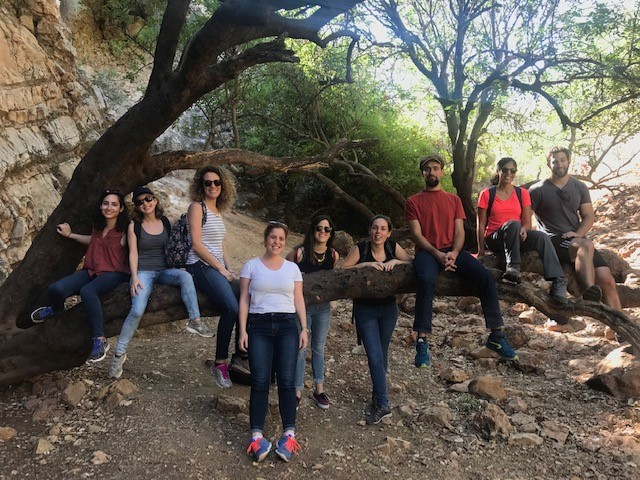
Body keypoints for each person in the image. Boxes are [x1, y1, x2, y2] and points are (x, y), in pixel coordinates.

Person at [404, 154, 518, 369]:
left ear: (442, 172)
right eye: (427, 169)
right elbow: (417, 235)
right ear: (423, 173)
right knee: (426, 279)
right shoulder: (413, 201)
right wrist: (437, 254)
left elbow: (459, 231)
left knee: (485, 276)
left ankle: (496, 335)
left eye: (435, 168)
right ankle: (422, 340)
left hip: (453, 250)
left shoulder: (454, 200)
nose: (431, 172)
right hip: (427, 253)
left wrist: (455, 253)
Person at [108, 186, 206, 378]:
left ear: (155, 200)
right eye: (140, 202)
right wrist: (134, 277)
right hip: (143, 272)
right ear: (136, 207)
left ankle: (195, 320)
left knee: (185, 277)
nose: (145, 204)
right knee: (137, 310)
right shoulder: (134, 226)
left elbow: (177, 243)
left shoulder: (166, 222)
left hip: (165, 270)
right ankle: (118, 354)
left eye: (148, 199)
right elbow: (133, 253)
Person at [30, 190, 130, 362]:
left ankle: (100, 340)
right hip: (91, 271)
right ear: (101, 206)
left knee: (87, 291)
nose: (109, 207)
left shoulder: (127, 230)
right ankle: (56, 310)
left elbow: (137, 250)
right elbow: (94, 240)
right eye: (106, 203)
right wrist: (70, 235)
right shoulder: (98, 225)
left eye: (114, 204)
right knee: (55, 289)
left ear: (121, 208)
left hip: (114, 273)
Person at [239, 222, 308, 463]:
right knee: (259, 381)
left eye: (281, 238)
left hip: (287, 325)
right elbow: (244, 300)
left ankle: (289, 436)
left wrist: (304, 328)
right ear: (265, 239)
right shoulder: (251, 266)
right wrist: (242, 331)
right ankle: (257, 437)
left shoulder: (292, 268)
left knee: (287, 381)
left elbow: (298, 299)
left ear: (284, 242)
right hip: (258, 325)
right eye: (272, 237)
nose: (276, 242)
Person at [529, 146, 622, 309]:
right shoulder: (537, 190)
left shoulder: (579, 187)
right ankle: (589, 292)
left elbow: (588, 216)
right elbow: (525, 218)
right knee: (584, 245)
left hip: (577, 238)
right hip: (552, 240)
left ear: (568, 161)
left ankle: (619, 323)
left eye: (563, 160)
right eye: (555, 161)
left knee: (607, 280)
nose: (559, 164)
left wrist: (578, 233)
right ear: (549, 164)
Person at [342, 215, 412, 425]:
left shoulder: (392, 247)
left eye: (382, 229)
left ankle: (378, 398)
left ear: (389, 232)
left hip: (389, 309)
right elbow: (342, 269)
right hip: (365, 310)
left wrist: (395, 261)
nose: (378, 232)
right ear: (370, 230)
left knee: (382, 354)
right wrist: (366, 265)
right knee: (374, 356)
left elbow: (411, 262)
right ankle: (383, 403)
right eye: (375, 228)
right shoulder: (360, 249)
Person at [477, 157, 568, 304]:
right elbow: (481, 224)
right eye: (505, 170)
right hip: (495, 238)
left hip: (517, 235)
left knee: (541, 236)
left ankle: (558, 280)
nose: (509, 173)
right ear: (498, 171)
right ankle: (513, 267)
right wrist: (481, 250)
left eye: (512, 171)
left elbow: (526, 223)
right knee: (513, 224)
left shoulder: (522, 193)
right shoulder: (487, 194)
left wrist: (525, 229)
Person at [185, 166, 241, 388]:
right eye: (207, 182)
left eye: (217, 182)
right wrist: (220, 269)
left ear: (223, 185)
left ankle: (242, 356)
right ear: (201, 185)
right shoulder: (197, 208)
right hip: (199, 266)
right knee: (231, 308)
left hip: (216, 267)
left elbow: (220, 244)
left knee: (247, 297)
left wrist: (229, 268)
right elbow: (197, 246)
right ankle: (220, 363)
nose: (213, 186)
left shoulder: (217, 211)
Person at [286, 215, 339, 410]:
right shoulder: (299, 254)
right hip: (302, 307)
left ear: (331, 233)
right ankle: (297, 392)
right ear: (313, 230)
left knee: (319, 348)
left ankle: (319, 389)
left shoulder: (333, 255)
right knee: (301, 348)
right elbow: (284, 271)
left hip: (323, 307)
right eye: (319, 228)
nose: (322, 232)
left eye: (327, 229)